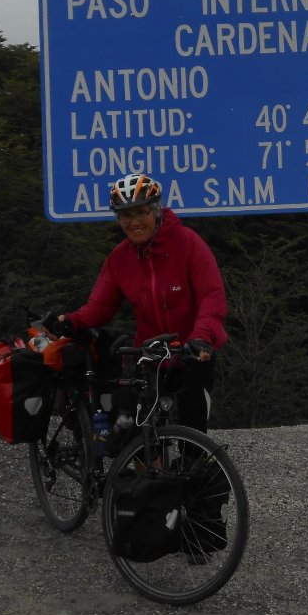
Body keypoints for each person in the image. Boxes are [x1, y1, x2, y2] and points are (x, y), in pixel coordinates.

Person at [45, 172, 227, 434]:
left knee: (193, 430)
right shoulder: (120, 259)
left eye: (141, 212)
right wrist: (72, 320)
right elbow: (100, 306)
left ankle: (195, 465)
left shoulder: (188, 244)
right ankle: (147, 473)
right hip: (149, 354)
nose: (134, 222)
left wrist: (201, 337)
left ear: (156, 211)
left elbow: (212, 295)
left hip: (192, 351)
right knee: (141, 432)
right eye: (126, 215)